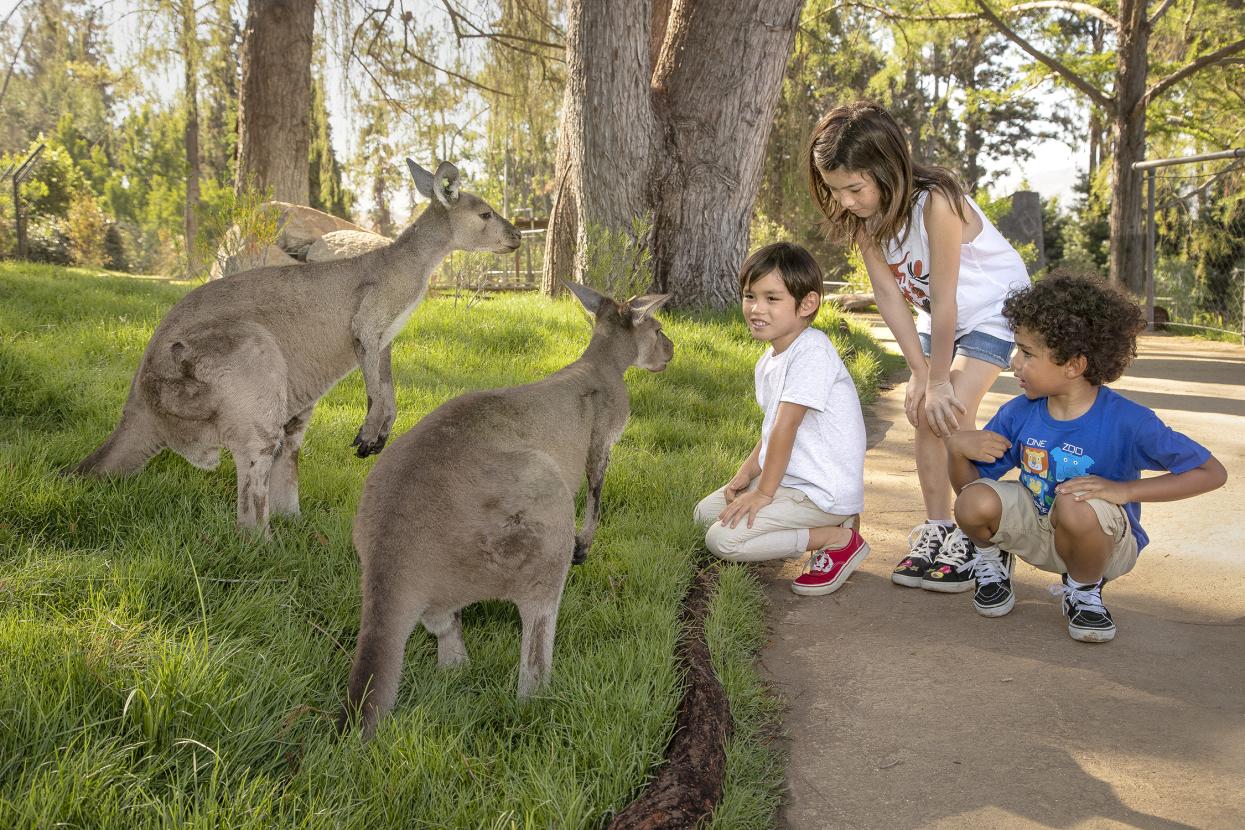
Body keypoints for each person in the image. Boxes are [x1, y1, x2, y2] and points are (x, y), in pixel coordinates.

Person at [807, 99, 1031, 593]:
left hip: (992, 310)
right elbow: (891, 297)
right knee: (924, 411)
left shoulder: (938, 202)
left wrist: (937, 379)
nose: (845, 200)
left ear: (887, 169)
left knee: (948, 407)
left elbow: (947, 298)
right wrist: (918, 370)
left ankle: (982, 536)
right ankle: (940, 528)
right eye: (835, 190)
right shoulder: (866, 222)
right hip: (942, 316)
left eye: (854, 188)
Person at [947, 274, 1227, 641]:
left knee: (1075, 502)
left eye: (1027, 353)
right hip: (1037, 529)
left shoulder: (1130, 421)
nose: (1014, 363)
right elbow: (970, 490)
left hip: (1101, 544)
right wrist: (956, 450)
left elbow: (1211, 472)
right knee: (974, 501)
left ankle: (1083, 592)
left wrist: (1124, 491)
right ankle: (991, 561)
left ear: (1074, 365)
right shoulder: (1019, 413)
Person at [693, 242, 869, 596]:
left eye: (772, 299)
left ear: (807, 304)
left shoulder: (812, 350)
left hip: (819, 492)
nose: (756, 309)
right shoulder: (769, 360)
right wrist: (745, 476)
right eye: (750, 296)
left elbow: (786, 428)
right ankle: (829, 523)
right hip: (791, 484)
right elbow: (773, 427)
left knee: (723, 541)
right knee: (703, 515)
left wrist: (764, 494)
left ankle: (837, 538)